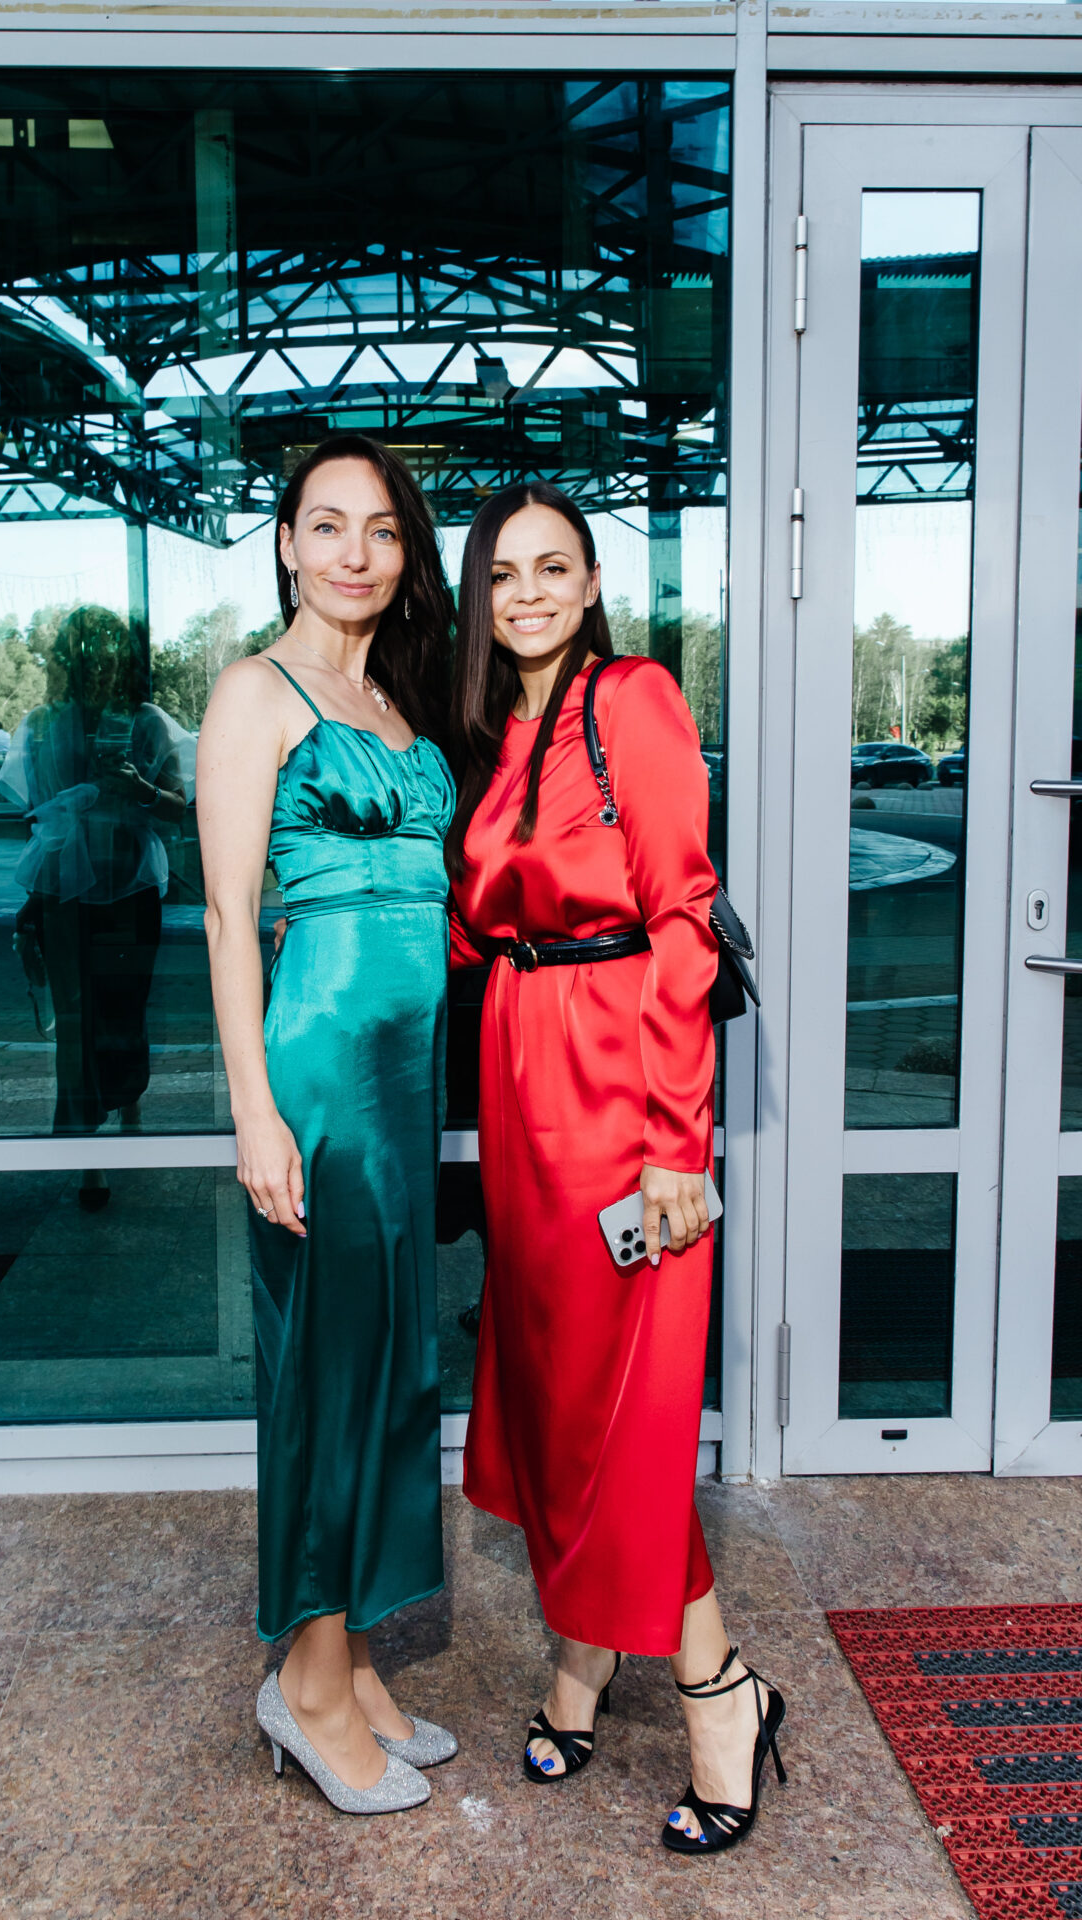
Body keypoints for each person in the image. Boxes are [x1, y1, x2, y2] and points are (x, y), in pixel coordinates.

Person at [448, 482, 787, 1854]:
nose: (527, 593)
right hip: (522, 1078)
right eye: (504, 574)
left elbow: (682, 921)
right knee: (548, 1393)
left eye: (554, 568)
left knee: (616, 1416)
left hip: (614, 1082)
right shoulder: (499, 735)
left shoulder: (630, 700)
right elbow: (480, 923)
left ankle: (720, 1696)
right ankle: (583, 1660)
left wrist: (672, 1146)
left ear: (591, 585)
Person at [197, 435, 457, 1815]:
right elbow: (227, 916)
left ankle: (350, 1656)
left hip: (404, 1082)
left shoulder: (392, 698)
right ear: (288, 545)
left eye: (382, 530)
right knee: (323, 1370)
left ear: (405, 557)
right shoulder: (257, 692)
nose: (355, 551)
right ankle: (302, 1688)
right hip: (317, 1076)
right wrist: (254, 1111)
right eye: (328, 524)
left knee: (388, 1365)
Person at [0, 606, 191, 1193]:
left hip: (130, 886)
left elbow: (179, 808)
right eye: (84, 654)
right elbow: (39, 822)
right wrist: (32, 903)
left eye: (106, 654)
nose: (96, 666)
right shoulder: (41, 725)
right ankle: (88, 1154)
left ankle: (129, 1106)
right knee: (77, 1020)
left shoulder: (147, 723)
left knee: (124, 1009)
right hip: (64, 891)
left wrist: (139, 788)